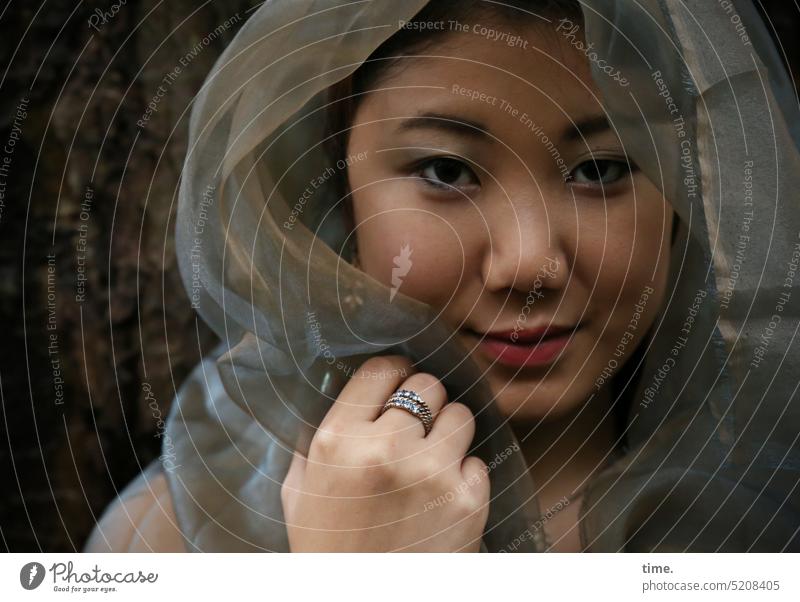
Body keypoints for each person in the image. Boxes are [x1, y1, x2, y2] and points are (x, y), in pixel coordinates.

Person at [85, 0, 800, 553]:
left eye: (600, 170)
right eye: (445, 171)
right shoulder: (175, 537)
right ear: (341, 181)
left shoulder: (773, 505)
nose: (527, 265)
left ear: (689, 190)